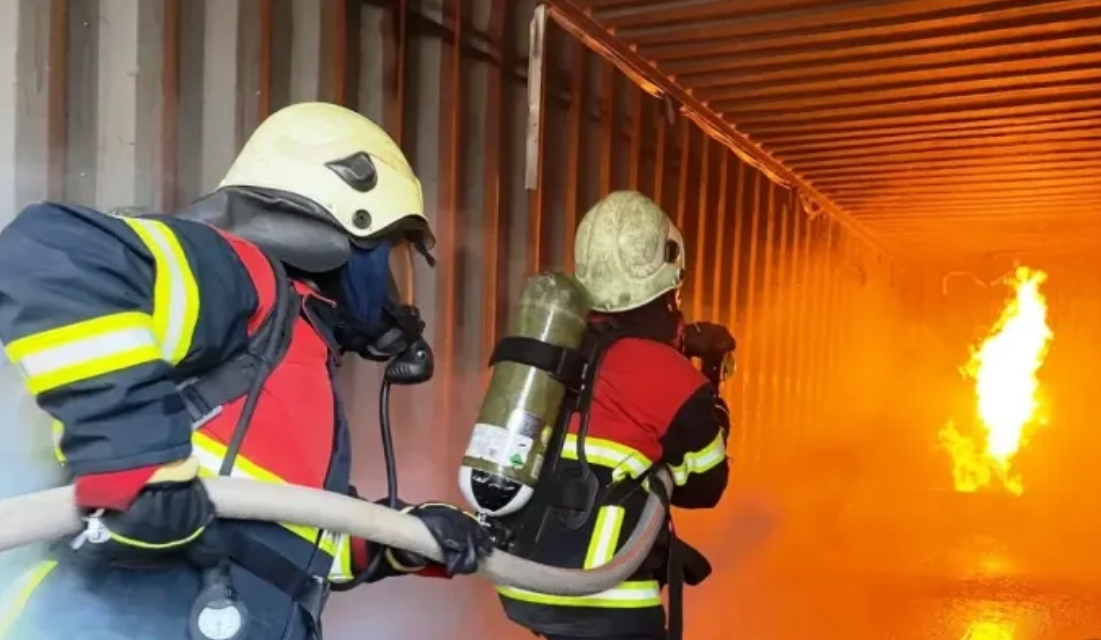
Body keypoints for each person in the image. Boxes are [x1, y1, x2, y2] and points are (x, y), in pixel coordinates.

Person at [0, 102, 493, 640]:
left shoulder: (295, 346)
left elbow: (282, 533)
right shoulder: (245, 279)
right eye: (386, 253)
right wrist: (135, 464)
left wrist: (398, 538)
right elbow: (52, 253)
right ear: (354, 229)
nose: (391, 292)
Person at [495, 191, 733, 640]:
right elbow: (705, 487)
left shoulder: (558, 349)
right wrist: (713, 406)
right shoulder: (672, 378)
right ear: (669, 273)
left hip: (522, 579)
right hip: (607, 596)